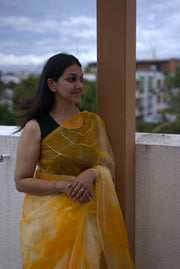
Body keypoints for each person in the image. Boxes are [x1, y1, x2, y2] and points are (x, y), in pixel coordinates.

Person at [14, 53, 134, 269]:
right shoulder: (36, 127)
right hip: (50, 226)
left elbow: (106, 161)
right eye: (71, 79)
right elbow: (21, 181)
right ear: (52, 84)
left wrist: (92, 173)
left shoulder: (93, 123)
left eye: (81, 79)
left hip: (89, 221)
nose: (79, 85)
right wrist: (63, 186)